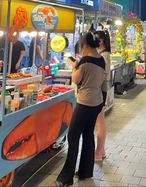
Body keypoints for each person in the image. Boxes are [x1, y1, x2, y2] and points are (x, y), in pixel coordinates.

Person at [56, 33, 105, 187]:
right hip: (97, 102)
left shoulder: (84, 61)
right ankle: (86, 171)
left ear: (84, 46)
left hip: (85, 102)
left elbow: (76, 80)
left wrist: (74, 67)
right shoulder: (101, 59)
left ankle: (65, 178)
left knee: (73, 136)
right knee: (88, 135)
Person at [94, 30, 111, 161]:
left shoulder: (104, 55)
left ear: (101, 42)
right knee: (100, 120)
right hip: (101, 89)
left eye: (95, 39)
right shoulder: (103, 54)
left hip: (100, 89)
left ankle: (98, 153)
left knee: (100, 122)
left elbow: (104, 74)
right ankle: (102, 151)